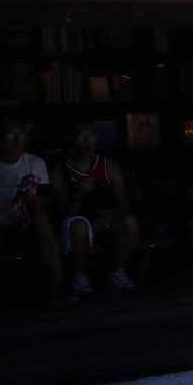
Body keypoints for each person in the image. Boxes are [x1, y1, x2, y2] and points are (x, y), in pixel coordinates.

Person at [0, 118, 62, 300]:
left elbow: (42, 200)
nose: (16, 140)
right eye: (11, 135)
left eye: (21, 135)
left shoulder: (35, 162)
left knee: (42, 221)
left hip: (25, 211)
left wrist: (29, 200)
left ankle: (58, 285)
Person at [51, 121, 138, 295]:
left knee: (130, 222)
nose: (86, 140)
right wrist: (79, 194)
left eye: (90, 135)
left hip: (106, 220)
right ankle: (79, 276)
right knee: (80, 226)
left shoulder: (109, 166)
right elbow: (62, 211)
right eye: (81, 135)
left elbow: (122, 202)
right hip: (76, 222)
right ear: (72, 138)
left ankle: (118, 272)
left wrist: (112, 215)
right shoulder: (59, 170)